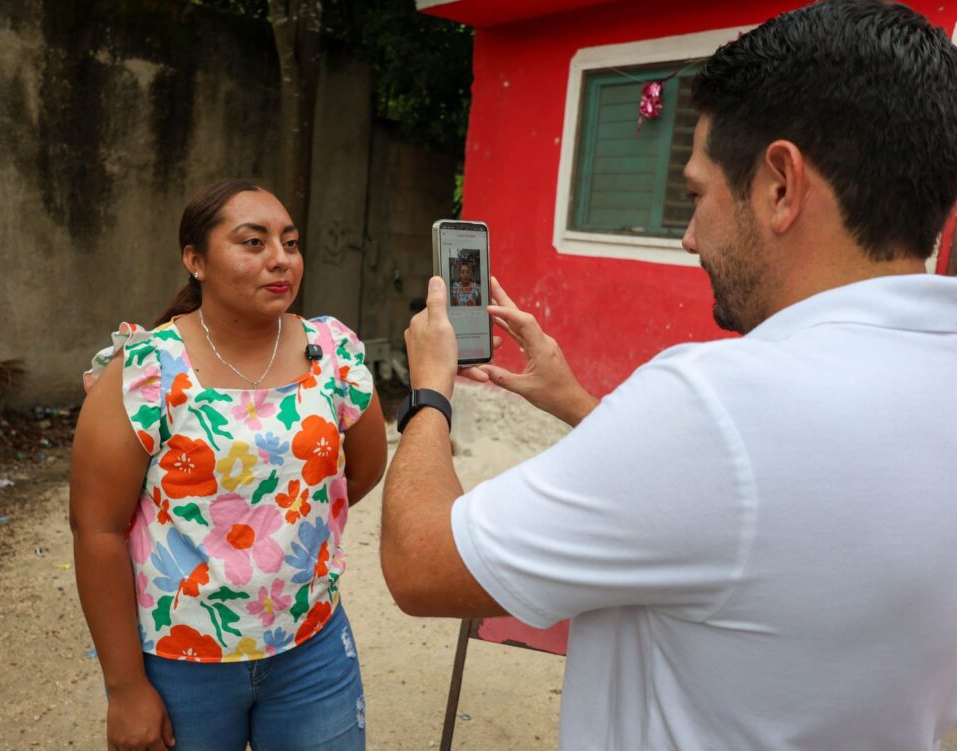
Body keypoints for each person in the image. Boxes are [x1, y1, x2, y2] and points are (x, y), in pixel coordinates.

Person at [381, 2, 957, 749]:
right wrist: (581, 404)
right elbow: (767, 508)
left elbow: (420, 562)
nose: (689, 236)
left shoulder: (715, 403)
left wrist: (430, 390)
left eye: (695, 194)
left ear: (781, 186)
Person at [71, 178, 387, 751]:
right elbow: (97, 529)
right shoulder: (146, 371)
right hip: (181, 661)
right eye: (253, 242)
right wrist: (125, 688)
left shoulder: (332, 353)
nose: (281, 259)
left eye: (290, 242)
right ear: (196, 261)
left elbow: (360, 471)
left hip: (311, 648)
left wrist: (280, 528)